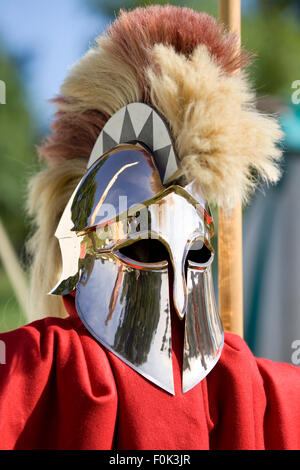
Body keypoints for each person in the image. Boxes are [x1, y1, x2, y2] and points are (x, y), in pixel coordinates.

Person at [0, 6, 299, 450]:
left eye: (196, 255)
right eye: (143, 249)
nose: (179, 296)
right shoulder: (34, 369)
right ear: (83, 250)